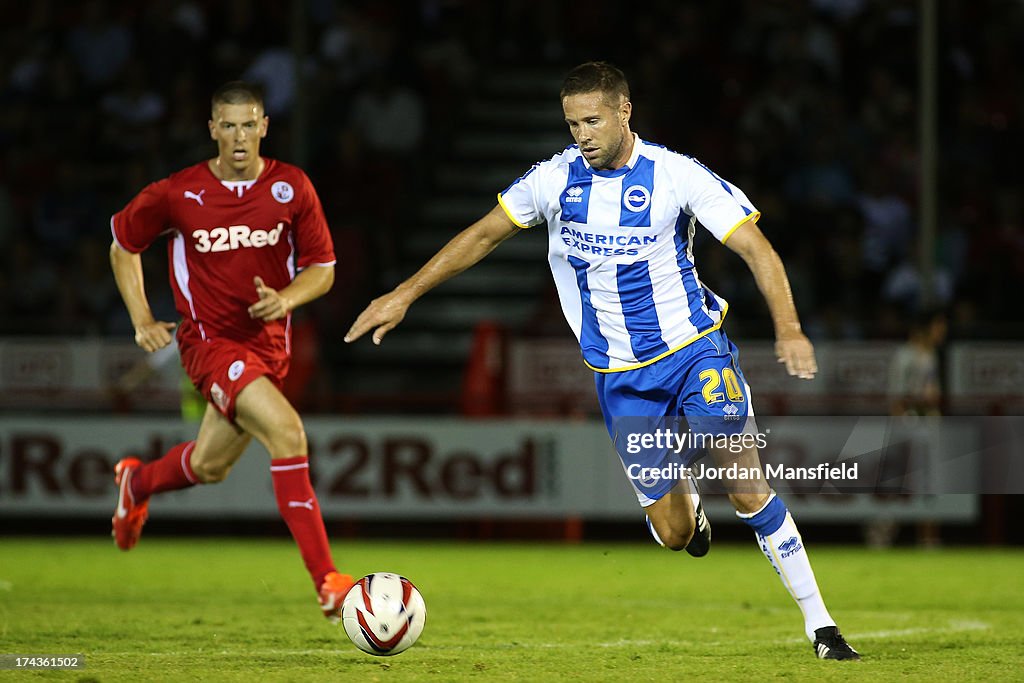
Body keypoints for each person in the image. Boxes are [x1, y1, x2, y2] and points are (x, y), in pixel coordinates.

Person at [345, 62, 860, 660]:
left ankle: (822, 628)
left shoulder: (676, 175)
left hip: (696, 349)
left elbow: (755, 247)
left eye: (592, 120)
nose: (581, 134)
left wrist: (790, 329)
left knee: (745, 483)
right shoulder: (552, 180)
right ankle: (688, 506)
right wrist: (402, 294)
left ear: (624, 113)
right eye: (571, 123)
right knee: (673, 535)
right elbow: (483, 235)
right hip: (622, 378)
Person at [109, 81, 353, 622]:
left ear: (265, 126)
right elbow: (123, 244)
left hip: (269, 349)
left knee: (209, 465)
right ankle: (329, 583)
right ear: (212, 129)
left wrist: (287, 297)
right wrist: (142, 319)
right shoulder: (179, 192)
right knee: (288, 433)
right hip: (210, 345)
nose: (239, 137)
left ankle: (138, 482)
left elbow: (324, 269)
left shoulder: (292, 187)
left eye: (249, 124)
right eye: (229, 125)